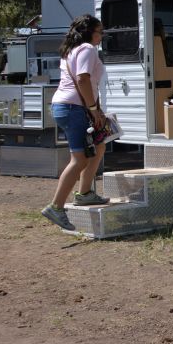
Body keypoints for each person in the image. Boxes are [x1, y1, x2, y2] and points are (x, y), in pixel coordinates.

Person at [41, 15, 109, 230]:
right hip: (74, 108)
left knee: (98, 146)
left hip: (70, 106)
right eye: (100, 31)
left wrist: (95, 110)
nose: (102, 35)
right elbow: (82, 79)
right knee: (79, 160)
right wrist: (92, 109)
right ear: (90, 32)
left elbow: (87, 83)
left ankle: (85, 193)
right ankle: (56, 207)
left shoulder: (71, 50)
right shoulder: (87, 49)